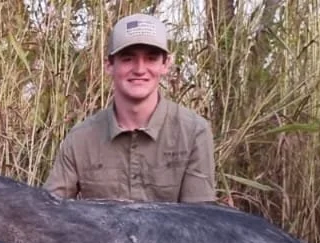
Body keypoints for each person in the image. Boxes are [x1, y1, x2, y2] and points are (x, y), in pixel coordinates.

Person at [44, 13, 218, 203]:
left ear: (166, 64)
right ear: (109, 65)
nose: (140, 69)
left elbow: (199, 219)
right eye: (128, 59)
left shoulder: (193, 132)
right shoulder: (80, 138)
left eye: (151, 58)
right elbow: (49, 211)